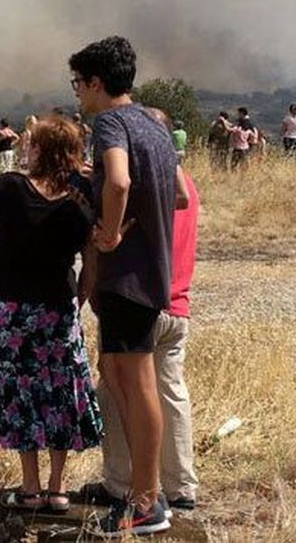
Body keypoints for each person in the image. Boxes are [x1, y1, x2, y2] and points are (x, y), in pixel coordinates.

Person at [0, 115, 102, 514]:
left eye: (32, 142)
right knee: (62, 388)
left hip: (11, 305)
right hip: (57, 303)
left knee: (20, 386)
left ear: (39, 150)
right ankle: (58, 489)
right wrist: (79, 298)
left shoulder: (9, 187)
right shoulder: (81, 197)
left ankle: (29, 486)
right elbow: (91, 261)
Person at [70, 35, 178, 537]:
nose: (77, 94)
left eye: (78, 84)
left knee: (136, 387)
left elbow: (119, 182)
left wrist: (110, 232)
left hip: (127, 278)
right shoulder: (154, 127)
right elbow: (175, 195)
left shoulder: (109, 123)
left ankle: (146, 502)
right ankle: (140, 489)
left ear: (96, 82)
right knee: (120, 377)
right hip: (151, 273)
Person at [90, 107, 199, 512]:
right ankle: (181, 485)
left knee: (119, 391)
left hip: (140, 298)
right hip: (178, 302)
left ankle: (123, 485)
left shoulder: (139, 188)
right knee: (170, 393)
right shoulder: (182, 185)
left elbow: (116, 191)